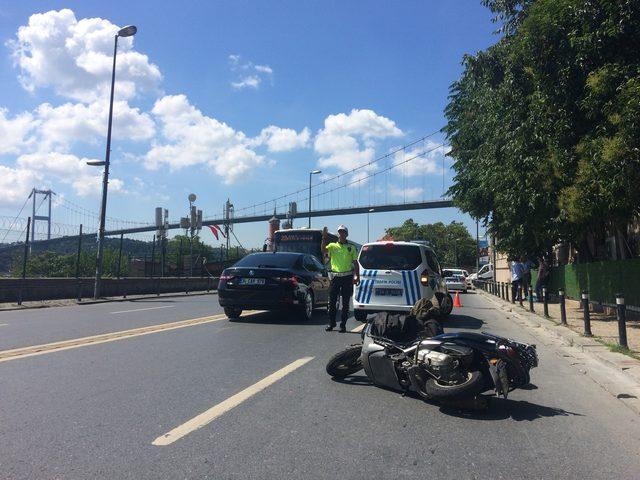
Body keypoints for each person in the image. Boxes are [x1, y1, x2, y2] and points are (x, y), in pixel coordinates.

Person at [321, 224, 360, 332]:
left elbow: (355, 263)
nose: (341, 234)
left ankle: (343, 325)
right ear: (338, 234)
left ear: (346, 234)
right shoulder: (332, 246)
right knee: (332, 302)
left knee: (346, 303)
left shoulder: (351, 247)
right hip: (335, 278)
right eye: (340, 232)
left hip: (347, 277)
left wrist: (357, 277)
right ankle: (331, 323)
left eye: (343, 232)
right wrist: (324, 238)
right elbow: (323, 250)